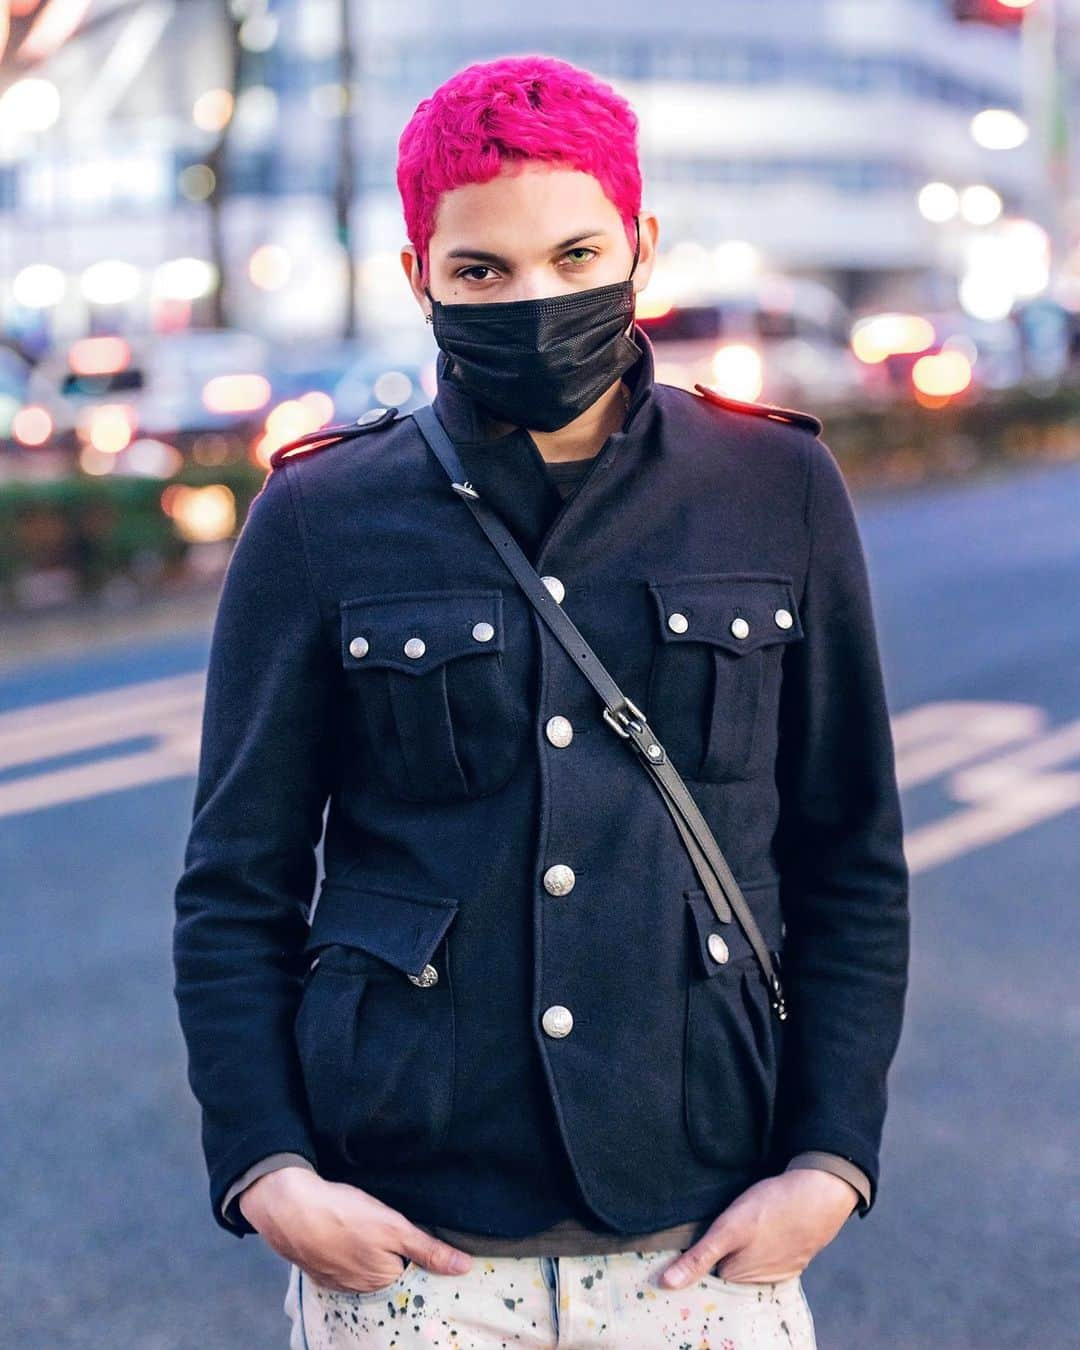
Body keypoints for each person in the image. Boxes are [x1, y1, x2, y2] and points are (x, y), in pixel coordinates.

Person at [172, 54, 910, 1349]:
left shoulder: (773, 489)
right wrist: (269, 1170)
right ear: (419, 275)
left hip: (705, 1234)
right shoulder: (320, 519)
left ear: (642, 244)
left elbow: (850, 854)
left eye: (577, 256)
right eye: (482, 271)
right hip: (406, 1246)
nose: (537, 299)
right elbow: (237, 883)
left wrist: (831, 1159)